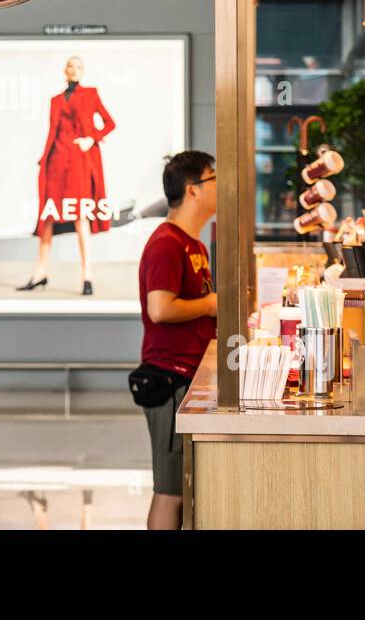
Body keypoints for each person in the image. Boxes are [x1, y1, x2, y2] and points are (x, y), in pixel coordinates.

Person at [137, 151, 217, 531]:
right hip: (170, 379)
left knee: (182, 486)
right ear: (193, 190)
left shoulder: (194, 244)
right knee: (170, 490)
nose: (220, 186)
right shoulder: (167, 243)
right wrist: (212, 304)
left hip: (190, 377)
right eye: (212, 178)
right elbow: (160, 308)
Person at [19, 55, 116, 296]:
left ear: (83, 70)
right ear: (65, 70)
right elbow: (52, 131)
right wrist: (44, 158)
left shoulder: (91, 94)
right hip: (56, 162)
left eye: (79, 66)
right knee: (49, 216)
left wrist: (91, 138)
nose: (74, 70)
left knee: (80, 215)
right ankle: (40, 271)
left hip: (79, 163)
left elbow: (109, 122)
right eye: (71, 66)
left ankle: (87, 275)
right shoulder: (55, 100)